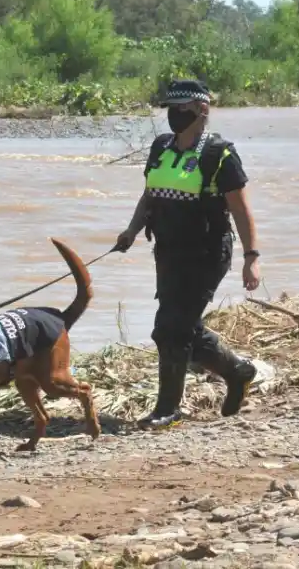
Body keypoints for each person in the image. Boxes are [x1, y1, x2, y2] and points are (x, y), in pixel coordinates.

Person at [114, 78, 261, 430]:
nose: (175, 116)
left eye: (183, 109)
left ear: (202, 110)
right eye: (170, 109)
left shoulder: (219, 155)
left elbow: (241, 211)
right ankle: (237, 371)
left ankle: (167, 410)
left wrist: (251, 257)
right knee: (181, 326)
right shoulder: (161, 147)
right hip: (168, 252)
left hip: (207, 253)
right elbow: (149, 195)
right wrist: (131, 231)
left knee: (169, 329)